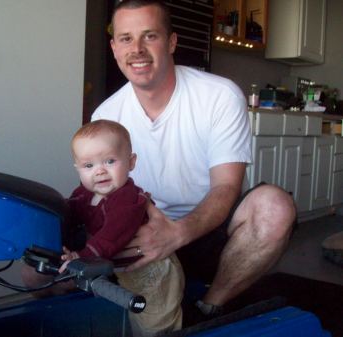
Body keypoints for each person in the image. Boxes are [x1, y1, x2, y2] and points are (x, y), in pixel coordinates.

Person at [91, 0, 296, 324]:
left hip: (209, 231)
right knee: (38, 272)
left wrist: (177, 233)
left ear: (172, 42)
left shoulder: (219, 95)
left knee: (275, 207)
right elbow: (103, 196)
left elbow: (227, 186)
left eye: (150, 36)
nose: (138, 49)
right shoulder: (105, 116)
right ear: (114, 47)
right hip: (143, 233)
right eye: (127, 38)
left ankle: (208, 308)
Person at [60, 119, 185, 337]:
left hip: (152, 271)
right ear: (78, 168)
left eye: (109, 161)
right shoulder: (82, 194)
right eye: (89, 166)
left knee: (155, 322)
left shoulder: (126, 199)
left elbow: (112, 235)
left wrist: (82, 256)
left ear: (131, 162)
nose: (99, 171)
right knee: (131, 314)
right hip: (123, 270)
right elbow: (70, 215)